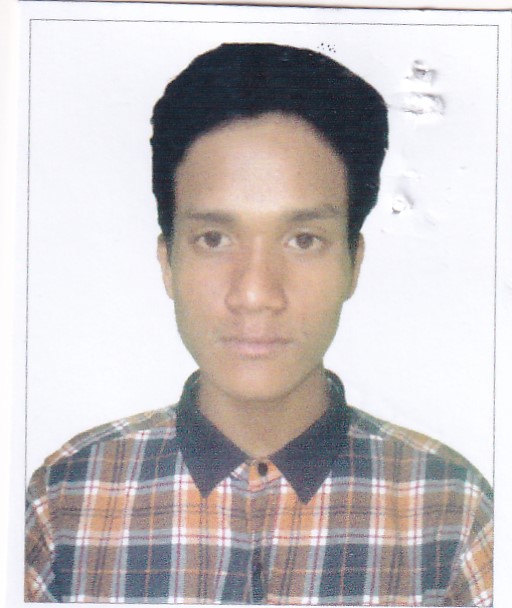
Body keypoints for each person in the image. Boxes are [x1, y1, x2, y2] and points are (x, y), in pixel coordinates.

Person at [25, 43, 493, 605]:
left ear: (354, 263)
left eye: (303, 240)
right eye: (213, 238)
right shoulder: (64, 504)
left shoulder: (453, 514)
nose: (255, 294)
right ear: (167, 262)